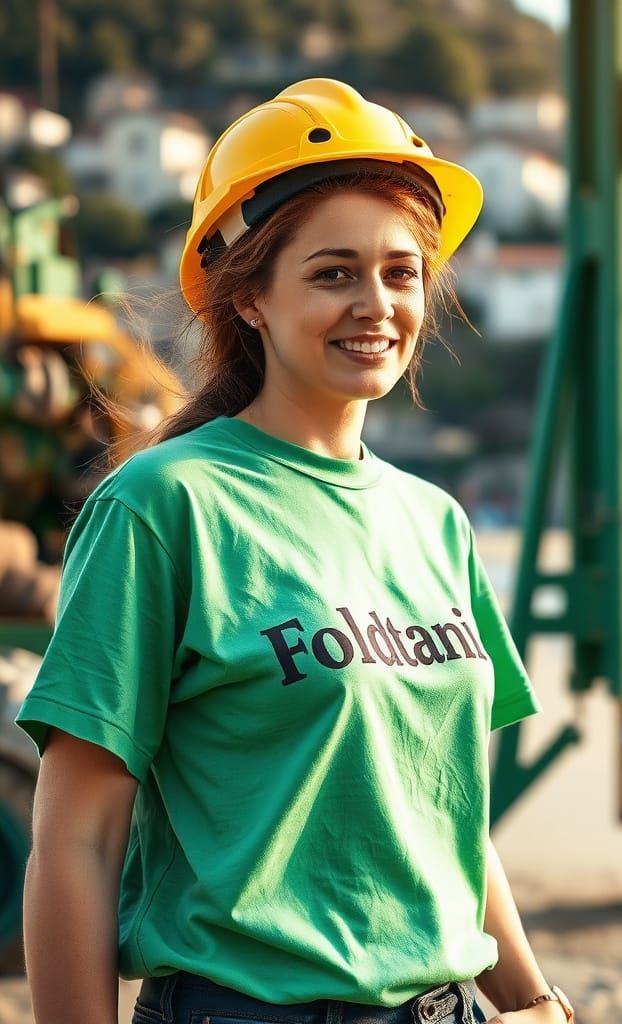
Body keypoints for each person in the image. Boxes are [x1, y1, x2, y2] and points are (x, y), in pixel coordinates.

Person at [16, 79, 575, 1024]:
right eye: (333, 272)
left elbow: (438, 817)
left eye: (402, 271)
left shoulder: (435, 520)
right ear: (250, 302)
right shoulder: (164, 505)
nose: (377, 302)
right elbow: (76, 841)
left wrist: (537, 1003)